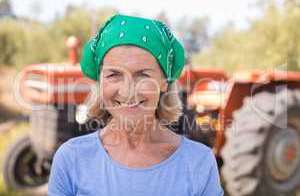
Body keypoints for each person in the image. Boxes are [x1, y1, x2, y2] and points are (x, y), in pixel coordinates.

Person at [48, 14, 224, 196]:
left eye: (142, 75)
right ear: (100, 80)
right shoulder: (71, 159)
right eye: (114, 74)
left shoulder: (198, 163)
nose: (127, 91)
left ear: (165, 81)